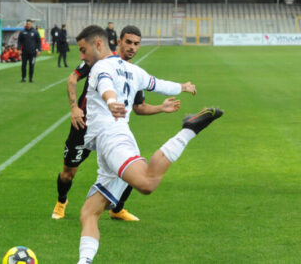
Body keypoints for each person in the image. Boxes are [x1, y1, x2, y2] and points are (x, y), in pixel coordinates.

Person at [74, 25, 222, 264]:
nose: (81, 56)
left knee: (146, 183)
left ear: (98, 44)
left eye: (83, 50)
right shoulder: (134, 71)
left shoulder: (101, 66)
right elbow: (158, 83)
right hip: (110, 143)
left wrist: (111, 102)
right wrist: (183, 87)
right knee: (88, 213)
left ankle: (188, 130)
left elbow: (105, 85)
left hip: (112, 138)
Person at [52, 25, 182, 222]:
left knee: (131, 165)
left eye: (136, 44)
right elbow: (72, 79)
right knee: (68, 173)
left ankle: (117, 209)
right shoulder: (99, 61)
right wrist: (74, 108)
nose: (132, 47)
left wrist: (161, 108)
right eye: (128, 42)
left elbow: (139, 107)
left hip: (111, 129)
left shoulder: (132, 74)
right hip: (83, 125)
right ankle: (62, 202)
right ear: (119, 41)